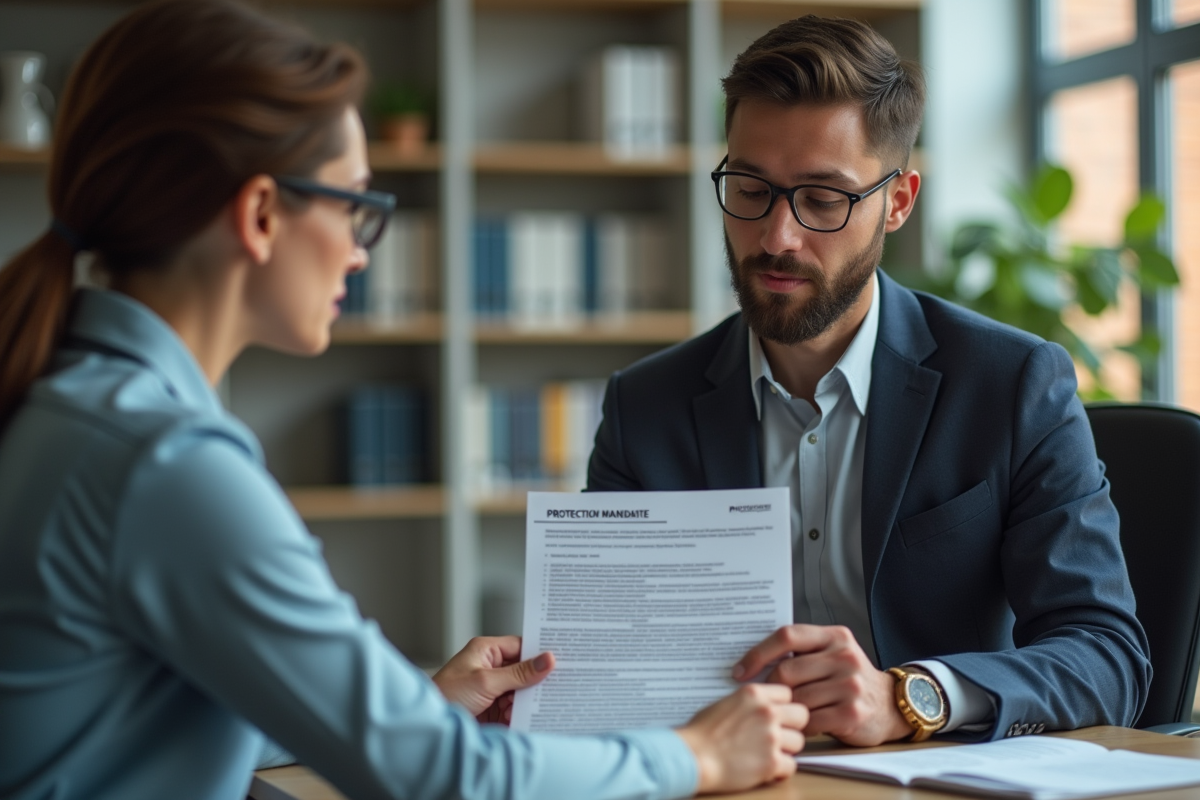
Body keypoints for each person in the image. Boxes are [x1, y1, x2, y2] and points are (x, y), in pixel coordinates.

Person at [0, 2, 810, 798]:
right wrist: (694, 755)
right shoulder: (164, 463)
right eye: (355, 205)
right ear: (258, 214)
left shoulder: (78, 407)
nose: (360, 252)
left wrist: (414, 705)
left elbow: (179, 699)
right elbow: (446, 777)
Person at [587, 14, 1151, 746]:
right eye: (751, 187)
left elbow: (1108, 654)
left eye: (823, 199)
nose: (777, 236)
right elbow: (611, 664)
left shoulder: (1011, 385)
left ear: (900, 201)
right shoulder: (644, 407)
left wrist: (912, 695)